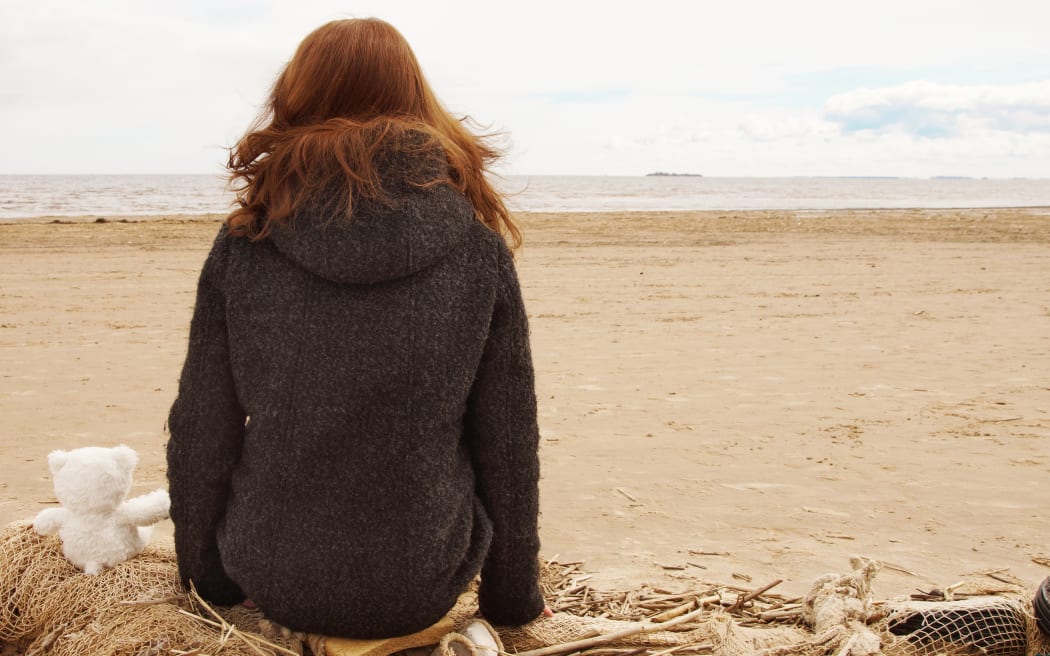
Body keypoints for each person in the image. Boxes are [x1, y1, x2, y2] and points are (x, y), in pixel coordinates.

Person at [166, 17, 548, 638]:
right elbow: (507, 439)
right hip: (421, 580)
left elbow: (200, 429)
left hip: (271, 572)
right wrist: (513, 602)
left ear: (296, 97)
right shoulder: (476, 248)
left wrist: (205, 579)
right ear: (416, 99)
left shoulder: (246, 245)